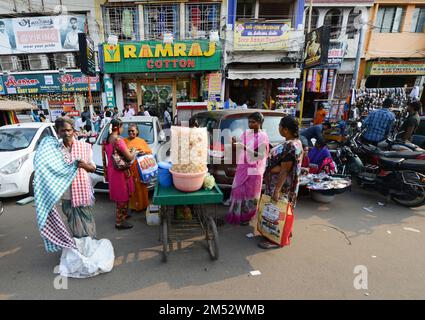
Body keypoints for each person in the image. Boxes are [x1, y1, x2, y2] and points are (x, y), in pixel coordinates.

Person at [259, 116, 303, 249]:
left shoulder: (290, 146)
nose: (278, 128)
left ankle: (275, 240)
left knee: (277, 211)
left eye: (280, 126)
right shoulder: (295, 142)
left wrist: (277, 190)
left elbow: (285, 170)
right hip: (284, 185)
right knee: (282, 211)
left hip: (281, 186)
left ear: (286, 130)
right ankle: (285, 233)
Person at [54, 117, 97, 238]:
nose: (66, 133)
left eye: (68, 130)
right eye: (63, 130)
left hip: (82, 189)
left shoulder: (84, 147)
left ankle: (90, 242)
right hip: (65, 192)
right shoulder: (55, 149)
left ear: (73, 130)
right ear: (58, 132)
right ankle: (79, 244)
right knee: (72, 220)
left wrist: (84, 165)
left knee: (87, 219)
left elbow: (93, 167)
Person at [226, 112, 270, 226]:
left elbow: (260, 155)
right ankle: (236, 215)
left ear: (259, 123)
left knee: (250, 194)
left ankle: (247, 217)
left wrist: (245, 148)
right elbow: (238, 146)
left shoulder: (263, 137)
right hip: (243, 167)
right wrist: (233, 143)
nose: (250, 124)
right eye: (249, 122)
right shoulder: (246, 133)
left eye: (253, 122)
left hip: (255, 169)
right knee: (238, 190)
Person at [103, 119, 136, 229]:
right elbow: (130, 157)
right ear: (118, 127)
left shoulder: (107, 140)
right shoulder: (118, 140)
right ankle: (119, 222)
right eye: (122, 127)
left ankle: (123, 215)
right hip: (120, 172)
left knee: (120, 196)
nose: (123, 130)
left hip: (112, 170)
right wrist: (134, 151)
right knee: (123, 196)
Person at [124, 124, 152, 213]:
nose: (131, 132)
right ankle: (133, 207)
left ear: (137, 132)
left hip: (140, 170)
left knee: (141, 187)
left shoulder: (141, 141)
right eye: (129, 131)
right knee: (131, 188)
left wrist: (144, 152)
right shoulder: (124, 141)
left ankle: (143, 205)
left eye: (133, 131)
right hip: (128, 169)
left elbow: (149, 152)